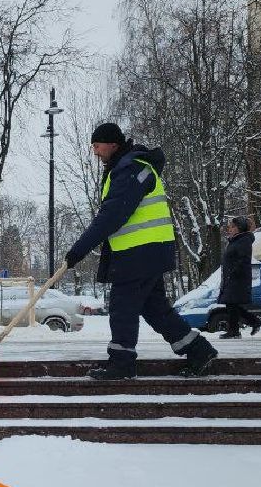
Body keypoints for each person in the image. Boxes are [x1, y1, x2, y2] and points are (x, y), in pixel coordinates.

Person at [62, 122, 217, 380]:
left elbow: (112, 215)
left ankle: (122, 363)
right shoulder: (126, 168)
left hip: (140, 253)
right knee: (156, 309)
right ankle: (198, 350)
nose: (95, 151)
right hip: (145, 253)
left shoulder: (131, 170)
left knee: (122, 307)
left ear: (112, 144)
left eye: (97, 145)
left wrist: (78, 251)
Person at [219, 215, 261, 339]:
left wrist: (233, 272)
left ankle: (235, 331)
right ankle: (252, 322)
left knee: (232, 304)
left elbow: (243, 259)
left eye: (233, 227)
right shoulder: (236, 240)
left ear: (240, 228)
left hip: (238, 278)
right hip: (233, 278)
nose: (230, 229)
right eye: (230, 227)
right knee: (232, 305)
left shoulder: (244, 240)